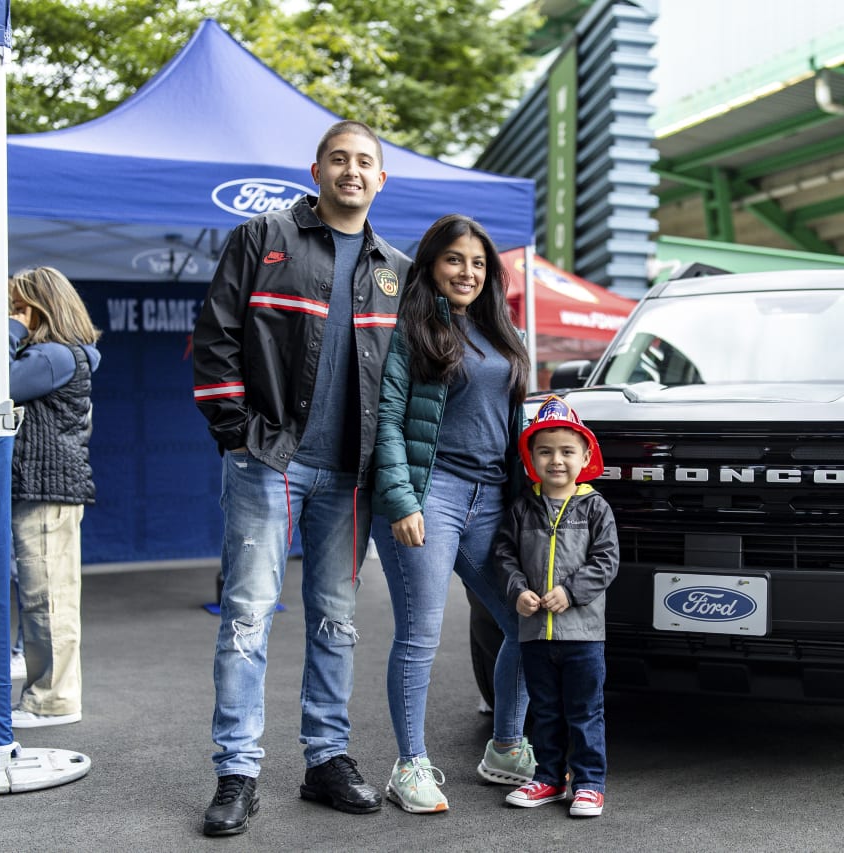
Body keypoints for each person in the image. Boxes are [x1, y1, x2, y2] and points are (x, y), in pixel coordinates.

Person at [190, 119, 410, 837]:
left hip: (351, 479)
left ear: (382, 180)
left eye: (365, 162)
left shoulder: (395, 271)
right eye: (339, 159)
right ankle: (237, 772)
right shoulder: (262, 238)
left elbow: (408, 379)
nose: (352, 170)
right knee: (248, 617)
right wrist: (240, 438)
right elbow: (215, 339)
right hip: (269, 465)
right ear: (314, 169)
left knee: (337, 623)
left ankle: (326, 759)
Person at [371, 213, 534, 814]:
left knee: (524, 624)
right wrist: (401, 499)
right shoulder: (412, 328)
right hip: (429, 492)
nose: (466, 272)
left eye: (477, 263)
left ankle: (506, 747)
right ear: (432, 266)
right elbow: (388, 418)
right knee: (420, 634)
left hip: (493, 497)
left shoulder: (502, 331)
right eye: (453, 260)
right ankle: (409, 765)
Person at [0, 269, 102, 729]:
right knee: (43, 595)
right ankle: (46, 693)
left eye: (18, 306)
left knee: (47, 598)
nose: (11, 315)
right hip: (42, 486)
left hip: (47, 488)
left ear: (38, 307)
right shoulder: (55, 355)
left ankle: (53, 699)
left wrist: (5, 334)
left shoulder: (53, 354)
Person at [494, 395, 618, 818]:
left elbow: (606, 561)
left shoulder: (596, 507)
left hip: (583, 635)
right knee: (545, 712)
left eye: (567, 451)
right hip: (535, 635)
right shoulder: (521, 508)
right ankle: (548, 778)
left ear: (585, 454)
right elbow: (504, 556)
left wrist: (570, 591)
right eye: (545, 451)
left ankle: (589, 783)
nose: (557, 460)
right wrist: (517, 591)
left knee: (585, 712)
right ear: (530, 457)